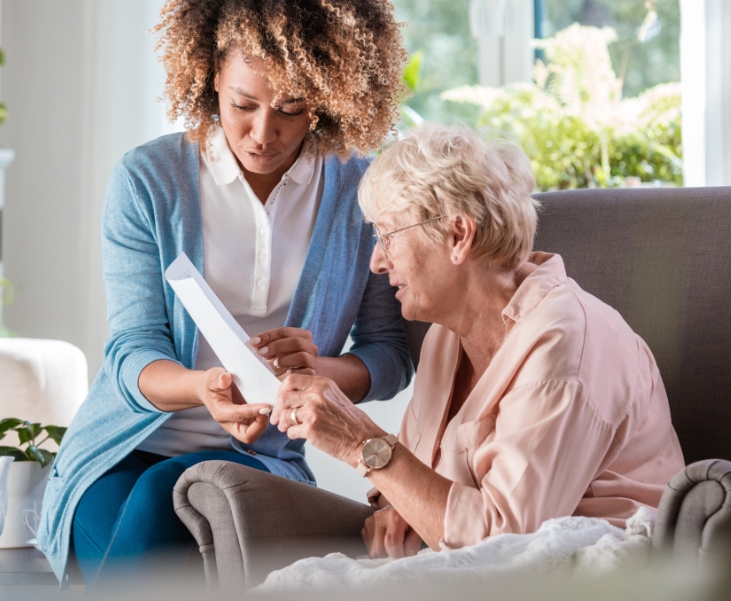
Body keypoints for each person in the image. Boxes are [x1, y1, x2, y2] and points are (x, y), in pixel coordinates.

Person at [36, 0, 414, 586]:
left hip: (260, 457)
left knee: (170, 495)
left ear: (323, 99)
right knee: (159, 492)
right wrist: (204, 390)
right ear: (211, 74)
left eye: (291, 109)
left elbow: (390, 355)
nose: (263, 132)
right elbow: (132, 351)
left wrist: (315, 368)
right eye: (244, 104)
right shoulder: (149, 180)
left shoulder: (360, 191)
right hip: (122, 451)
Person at [269, 124, 685, 558]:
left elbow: (508, 544)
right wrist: (400, 509)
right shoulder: (444, 340)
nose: (376, 261)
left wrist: (360, 441)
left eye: (388, 235)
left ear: (458, 235)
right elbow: (416, 479)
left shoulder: (565, 342)